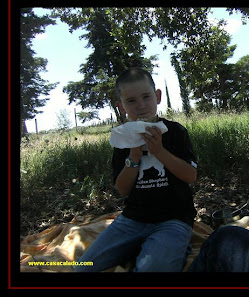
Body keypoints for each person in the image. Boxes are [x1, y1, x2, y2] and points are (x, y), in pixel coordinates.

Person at [74, 67, 197, 272]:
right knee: (84, 267)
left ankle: (171, 249)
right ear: (121, 107)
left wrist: (159, 151)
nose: (141, 106)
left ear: (157, 97)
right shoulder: (123, 139)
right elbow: (122, 188)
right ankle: (141, 247)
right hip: (133, 219)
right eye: (131, 101)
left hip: (174, 218)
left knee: (153, 268)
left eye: (146, 97)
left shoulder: (176, 132)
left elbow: (190, 176)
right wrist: (134, 157)